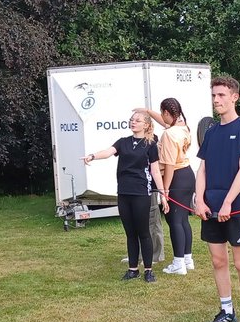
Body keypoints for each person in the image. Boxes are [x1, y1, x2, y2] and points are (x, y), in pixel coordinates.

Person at [195, 75, 240, 322]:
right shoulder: (211, 132)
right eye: (213, 95)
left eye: (221, 95)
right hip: (210, 207)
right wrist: (199, 200)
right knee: (218, 260)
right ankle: (226, 311)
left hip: (236, 206)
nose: (216, 100)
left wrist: (229, 203)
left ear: (234, 97)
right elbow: (202, 169)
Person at [83, 110, 168, 283]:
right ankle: (133, 269)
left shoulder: (150, 144)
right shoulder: (123, 142)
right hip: (124, 193)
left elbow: (155, 171)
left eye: (137, 120)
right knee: (130, 233)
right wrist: (92, 156)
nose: (133, 122)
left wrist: (163, 194)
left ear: (146, 125)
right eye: (131, 120)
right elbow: (108, 152)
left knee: (144, 232)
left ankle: (149, 270)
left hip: (141, 193)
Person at [135, 98, 196, 275]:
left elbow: (168, 164)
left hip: (175, 177)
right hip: (187, 174)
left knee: (174, 220)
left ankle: (178, 263)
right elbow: (165, 122)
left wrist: (165, 190)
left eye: (162, 113)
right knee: (183, 220)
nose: (161, 117)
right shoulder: (183, 126)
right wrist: (148, 111)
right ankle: (187, 259)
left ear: (168, 113)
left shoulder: (169, 135)